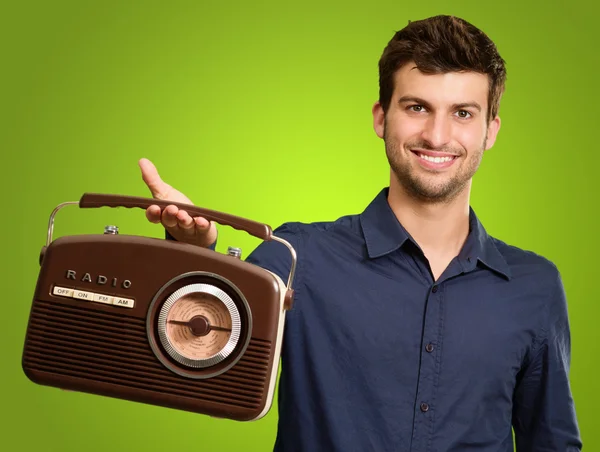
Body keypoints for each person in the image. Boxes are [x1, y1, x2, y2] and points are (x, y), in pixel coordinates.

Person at [138, 15, 582, 452]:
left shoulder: (535, 287)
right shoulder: (296, 256)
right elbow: (201, 363)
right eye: (417, 107)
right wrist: (195, 254)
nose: (437, 134)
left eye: (463, 113)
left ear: (490, 131)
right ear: (381, 118)